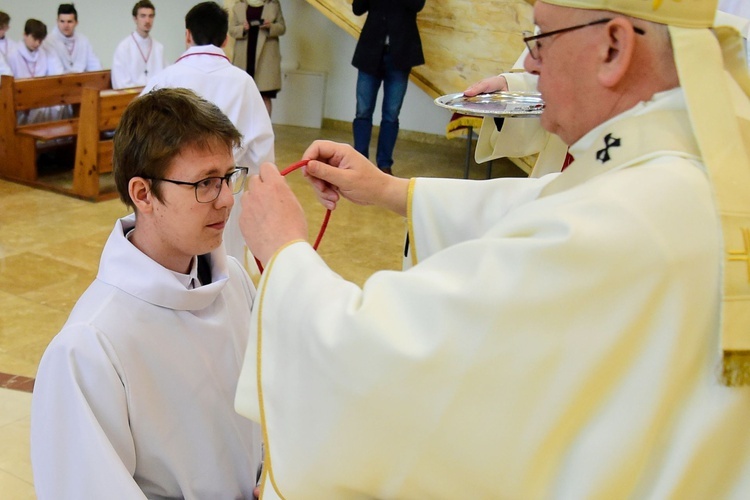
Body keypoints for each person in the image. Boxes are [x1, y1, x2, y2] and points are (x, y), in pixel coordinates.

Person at [235, 0, 750, 497]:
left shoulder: (631, 216)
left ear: (614, 47)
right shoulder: (684, 157)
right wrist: (393, 190)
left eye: (541, 37)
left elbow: (390, 363)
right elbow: (540, 201)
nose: (528, 62)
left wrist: (284, 253)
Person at [30, 87, 262, 499]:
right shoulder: (89, 345)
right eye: (206, 183)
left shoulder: (235, 282)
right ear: (143, 194)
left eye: (228, 177)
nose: (227, 199)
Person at [142, 1, 274, 266]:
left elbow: (140, 142)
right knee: (226, 264)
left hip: (174, 192)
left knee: (174, 265)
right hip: (225, 192)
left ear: (187, 35)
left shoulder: (164, 79)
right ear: (226, 39)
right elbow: (262, 153)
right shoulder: (243, 82)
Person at [351, 0, 425, 176]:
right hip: (370, 51)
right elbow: (357, 8)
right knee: (363, 111)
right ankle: (359, 162)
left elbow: (417, 5)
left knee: (391, 114)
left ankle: (384, 164)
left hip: (400, 54)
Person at [228, 0, 286, 117]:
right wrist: (242, 28)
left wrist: (270, 26)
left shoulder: (273, 4)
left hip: (266, 56)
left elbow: (282, 28)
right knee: (243, 95)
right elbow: (231, 30)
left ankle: (265, 131)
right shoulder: (238, 5)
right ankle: (244, 130)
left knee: (264, 95)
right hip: (244, 55)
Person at [7, 20, 64, 124]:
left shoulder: (43, 52)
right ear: (25, 35)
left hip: (40, 96)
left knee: (58, 104)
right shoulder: (13, 54)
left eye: (40, 40)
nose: (37, 43)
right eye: (35, 39)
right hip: (19, 98)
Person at [111, 0, 165, 89]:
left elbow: (164, 78)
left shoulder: (159, 48)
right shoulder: (124, 48)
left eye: (150, 16)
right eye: (143, 16)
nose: (147, 20)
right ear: (135, 19)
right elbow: (120, 83)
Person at [44, 3, 102, 74]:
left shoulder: (83, 40)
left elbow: (95, 66)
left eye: (69, 21)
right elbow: (55, 71)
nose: (66, 25)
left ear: (76, 22)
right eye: (62, 21)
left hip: (83, 83)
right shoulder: (49, 41)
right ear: (57, 22)